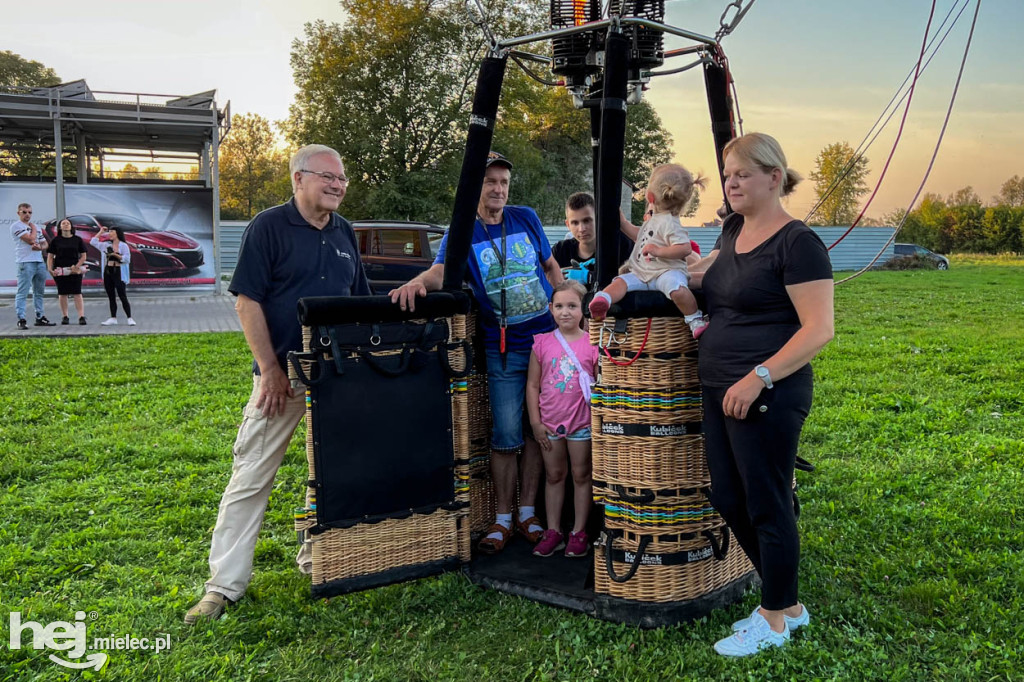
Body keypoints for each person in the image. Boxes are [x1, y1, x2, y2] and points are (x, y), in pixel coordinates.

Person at [185, 144, 371, 625]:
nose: (338, 185)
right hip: (281, 379)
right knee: (250, 477)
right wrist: (269, 369)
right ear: (297, 179)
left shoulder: (345, 233)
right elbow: (247, 302)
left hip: (334, 378)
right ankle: (223, 587)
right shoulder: (267, 227)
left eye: (343, 178)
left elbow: (359, 308)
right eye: (328, 176)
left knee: (332, 474)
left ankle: (321, 562)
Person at [688, 132, 834, 657]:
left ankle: (776, 616)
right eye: (728, 175)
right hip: (717, 386)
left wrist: (760, 377)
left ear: (775, 178)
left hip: (767, 391)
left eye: (743, 173)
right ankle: (786, 599)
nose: (732, 183)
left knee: (768, 502)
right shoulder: (732, 230)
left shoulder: (798, 243)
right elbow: (701, 277)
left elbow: (819, 329)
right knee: (728, 496)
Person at [390, 151, 564, 554]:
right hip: (505, 348)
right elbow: (439, 272)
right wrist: (416, 284)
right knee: (505, 434)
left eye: (503, 182)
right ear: (474, 187)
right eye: (490, 182)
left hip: (545, 343)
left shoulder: (526, 218)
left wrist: (565, 310)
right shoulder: (461, 231)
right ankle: (502, 518)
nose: (498, 189)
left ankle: (528, 513)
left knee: (539, 433)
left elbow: (551, 266)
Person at [588, 164, 708, 339]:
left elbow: (684, 248)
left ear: (650, 196)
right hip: (644, 273)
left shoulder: (670, 222)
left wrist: (659, 251)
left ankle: (694, 319)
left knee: (678, 289)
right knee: (621, 281)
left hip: (666, 272)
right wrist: (623, 224)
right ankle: (603, 299)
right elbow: (642, 236)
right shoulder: (654, 219)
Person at [526, 280, 598, 558]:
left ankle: (579, 532)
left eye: (572, 306)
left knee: (581, 475)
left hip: (582, 423)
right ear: (550, 309)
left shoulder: (592, 343)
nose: (565, 312)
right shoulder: (542, 343)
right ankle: (553, 530)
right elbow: (533, 385)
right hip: (550, 424)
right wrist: (535, 422)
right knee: (554, 475)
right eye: (559, 306)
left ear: (583, 310)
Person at [551, 191, 633, 284]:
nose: (581, 229)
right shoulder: (560, 251)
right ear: (568, 224)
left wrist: (590, 277)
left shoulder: (621, 246)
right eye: (575, 223)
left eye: (587, 221)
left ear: (599, 219)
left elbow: (632, 282)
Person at [10, 203, 55, 329]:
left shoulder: (36, 228)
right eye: (24, 212)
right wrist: (34, 229)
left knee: (39, 292)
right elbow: (30, 239)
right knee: (22, 292)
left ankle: (40, 316)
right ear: (18, 213)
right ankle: (21, 319)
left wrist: (40, 247)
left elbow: (45, 244)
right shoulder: (16, 226)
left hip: (39, 262)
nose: (27, 215)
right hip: (25, 262)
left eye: (29, 212)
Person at [46, 218, 88, 325]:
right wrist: (50, 268)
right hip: (60, 270)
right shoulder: (56, 240)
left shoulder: (77, 239)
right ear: (60, 227)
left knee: (77, 292)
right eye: (63, 223)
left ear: (71, 226)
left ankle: (81, 316)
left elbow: (83, 256)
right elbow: (50, 256)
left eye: (67, 223)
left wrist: (77, 266)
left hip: (75, 270)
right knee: (62, 293)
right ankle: (65, 316)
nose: (65, 225)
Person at [91, 226, 134, 326]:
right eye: (109, 232)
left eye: (112, 232)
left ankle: (129, 317)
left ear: (117, 233)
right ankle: (113, 317)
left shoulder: (123, 245)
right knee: (111, 296)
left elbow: (127, 259)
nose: (109, 234)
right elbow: (93, 242)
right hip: (108, 271)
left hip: (119, 272)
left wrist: (115, 255)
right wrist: (101, 232)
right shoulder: (106, 245)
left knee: (122, 295)